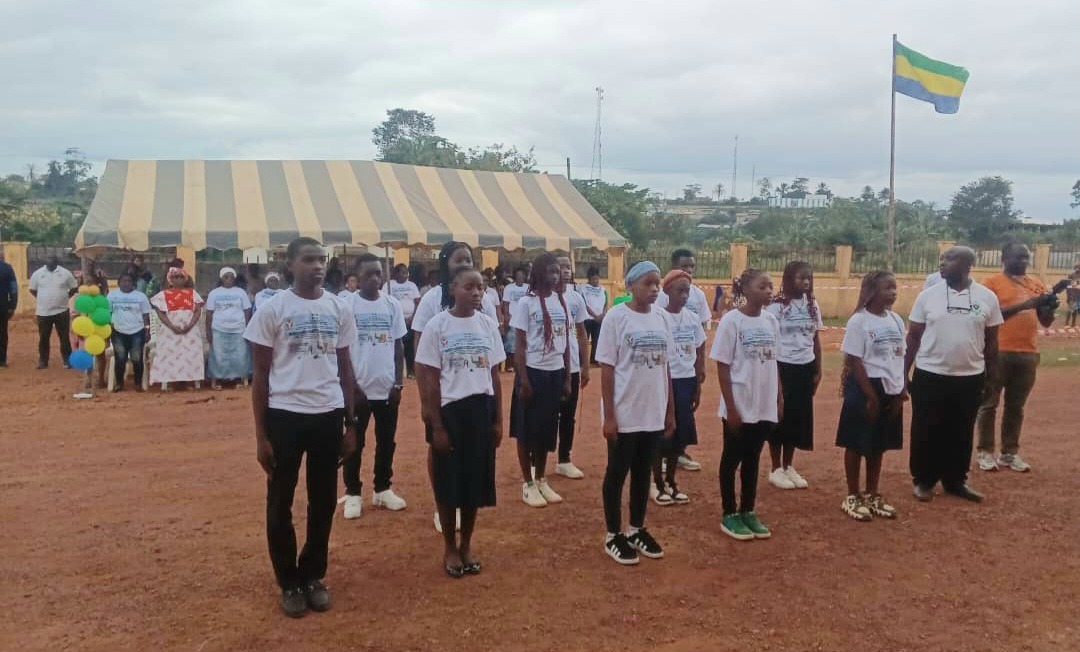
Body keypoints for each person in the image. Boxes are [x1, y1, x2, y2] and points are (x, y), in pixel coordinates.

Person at [244, 237, 357, 618]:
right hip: (285, 415)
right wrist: (261, 436)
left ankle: (312, 575)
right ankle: (288, 580)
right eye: (308, 259)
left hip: (328, 414)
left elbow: (345, 368)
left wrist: (351, 423)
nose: (317, 266)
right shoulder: (272, 310)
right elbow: (260, 376)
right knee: (280, 501)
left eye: (321, 259)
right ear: (289, 265)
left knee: (323, 501)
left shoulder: (339, 308)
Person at [415, 266, 504, 577]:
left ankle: (466, 543)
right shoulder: (437, 326)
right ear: (452, 288)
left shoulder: (488, 325)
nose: (476, 293)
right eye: (469, 287)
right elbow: (430, 379)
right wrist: (437, 425)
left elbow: (494, 375)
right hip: (450, 412)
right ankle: (449, 547)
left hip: (481, 410)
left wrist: (498, 420)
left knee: (473, 483)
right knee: (447, 483)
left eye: (480, 288)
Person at [906, 246, 1002, 503]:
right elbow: (913, 337)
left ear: (968, 265)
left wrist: (993, 379)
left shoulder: (987, 297)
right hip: (930, 374)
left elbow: (992, 343)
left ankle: (955, 480)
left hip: (970, 377)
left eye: (950, 259)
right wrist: (903, 373)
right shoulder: (928, 296)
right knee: (926, 428)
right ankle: (923, 480)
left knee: (961, 429)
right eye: (942, 259)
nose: (942, 263)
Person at [596, 260, 674, 565]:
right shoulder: (616, 317)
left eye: (657, 283)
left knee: (643, 472)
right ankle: (613, 534)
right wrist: (610, 416)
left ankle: (636, 529)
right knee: (617, 472)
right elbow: (607, 369)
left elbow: (666, 367)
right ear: (631, 286)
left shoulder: (662, 318)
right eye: (648, 283)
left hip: (652, 411)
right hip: (625, 412)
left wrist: (669, 411)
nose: (654, 289)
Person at [711, 269, 780, 541]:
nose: (768, 291)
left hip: (764, 404)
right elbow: (722, 366)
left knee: (753, 458)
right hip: (739, 404)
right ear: (746, 290)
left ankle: (748, 510)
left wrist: (778, 397)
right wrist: (731, 407)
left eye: (770, 286)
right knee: (732, 458)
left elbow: (775, 362)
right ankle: (729, 513)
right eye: (762, 286)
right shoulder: (732, 321)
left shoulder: (771, 321)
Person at [974, 243, 1056, 473]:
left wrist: (1048, 309)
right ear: (1004, 258)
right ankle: (985, 451)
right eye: (1018, 257)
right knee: (989, 403)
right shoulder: (991, 283)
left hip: (1028, 352)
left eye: (1026, 257)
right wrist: (1026, 305)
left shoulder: (1035, 284)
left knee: (1016, 406)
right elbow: (986, 315)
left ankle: (1009, 453)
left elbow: (1045, 322)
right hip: (998, 351)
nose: (1023, 261)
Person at [341, 254, 408, 519]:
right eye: (369, 274)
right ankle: (353, 493)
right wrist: (352, 386)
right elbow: (342, 350)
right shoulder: (348, 305)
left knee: (387, 441)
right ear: (357, 277)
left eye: (378, 273)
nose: (375, 279)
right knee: (354, 442)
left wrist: (398, 383)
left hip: (386, 387)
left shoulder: (392, 305)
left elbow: (398, 346)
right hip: (358, 390)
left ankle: (382, 489)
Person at [836, 271, 907, 521]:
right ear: (871, 292)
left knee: (879, 444)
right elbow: (855, 360)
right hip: (864, 388)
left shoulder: (896, 320)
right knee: (856, 442)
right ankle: (852, 495)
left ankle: (872, 493)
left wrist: (900, 391)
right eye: (887, 288)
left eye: (894, 288)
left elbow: (900, 356)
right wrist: (871, 396)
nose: (893, 293)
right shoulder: (859, 321)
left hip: (890, 388)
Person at [511, 253, 571, 507]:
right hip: (533, 371)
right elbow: (520, 344)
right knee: (526, 430)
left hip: (555, 372)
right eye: (550, 272)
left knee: (547, 429)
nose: (555, 276)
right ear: (537, 274)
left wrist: (567, 377)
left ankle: (541, 478)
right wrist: (523, 379)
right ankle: (527, 483)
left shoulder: (561, 302)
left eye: (557, 272)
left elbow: (565, 342)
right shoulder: (527, 303)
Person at [764, 261, 822, 490]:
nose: (806, 282)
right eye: (801, 278)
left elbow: (815, 338)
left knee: (797, 418)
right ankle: (775, 468)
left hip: (804, 367)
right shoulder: (776, 307)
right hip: (782, 366)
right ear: (789, 279)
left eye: (809, 278)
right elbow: (770, 341)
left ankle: (788, 465)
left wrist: (818, 369)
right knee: (780, 417)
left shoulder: (812, 305)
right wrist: (774, 373)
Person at [652, 269, 706, 506]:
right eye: (679, 291)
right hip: (665, 381)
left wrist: (698, 380)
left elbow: (700, 347)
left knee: (679, 435)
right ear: (667, 291)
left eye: (687, 291)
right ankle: (656, 482)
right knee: (662, 433)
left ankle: (672, 481)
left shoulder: (692, 318)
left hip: (686, 380)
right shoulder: (658, 317)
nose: (684, 296)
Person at [655, 249, 711, 472]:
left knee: (685, 414)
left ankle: (679, 453)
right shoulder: (660, 306)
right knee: (666, 414)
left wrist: (700, 368)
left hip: (687, 372)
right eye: (684, 266)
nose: (688, 270)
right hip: (668, 373)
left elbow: (700, 340)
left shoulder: (695, 305)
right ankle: (661, 456)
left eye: (691, 266)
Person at [555, 255, 590, 479]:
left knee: (568, 414)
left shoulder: (576, 298)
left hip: (573, 367)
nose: (566, 271)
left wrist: (585, 365)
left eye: (568, 266)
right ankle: (535, 459)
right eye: (561, 267)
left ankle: (564, 459)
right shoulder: (540, 297)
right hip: (549, 366)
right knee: (547, 414)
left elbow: (581, 333)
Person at [149, 267, 205, 391]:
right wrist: (172, 326)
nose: (178, 279)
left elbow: (197, 311)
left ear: (185, 279)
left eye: (181, 277)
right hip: (170, 331)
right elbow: (160, 313)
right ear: (170, 280)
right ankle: (169, 382)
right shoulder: (163, 295)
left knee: (190, 355)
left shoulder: (192, 293)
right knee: (169, 355)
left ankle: (189, 381)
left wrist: (190, 325)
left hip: (190, 330)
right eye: (175, 277)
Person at [206, 267, 253, 389]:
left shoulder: (241, 292)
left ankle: (239, 379)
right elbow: (209, 313)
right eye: (226, 277)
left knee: (240, 355)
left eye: (231, 277)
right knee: (219, 355)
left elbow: (247, 310)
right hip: (219, 328)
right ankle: (218, 380)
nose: (229, 279)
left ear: (234, 278)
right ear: (221, 278)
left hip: (239, 329)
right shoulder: (214, 293)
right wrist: (208, 331)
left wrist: (247, 327)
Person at [29, 254, 78, 369]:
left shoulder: (65, 273)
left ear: (57, 262)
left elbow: (74, 287)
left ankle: (67, 360)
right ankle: (43, 361)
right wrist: (43, 299)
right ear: (45, 262)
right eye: (48, 260)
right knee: (44, 337)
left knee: (64, 337)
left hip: (62, 311)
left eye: (52, 261)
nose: (50, 262)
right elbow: (32, 289)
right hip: (43, 312)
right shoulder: (37, 274)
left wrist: (65, 297)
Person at [107, 272, 152, 391]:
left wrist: (147, 330)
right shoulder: (112, 296)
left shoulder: (141, 297)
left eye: (129, 281)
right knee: (120, 358)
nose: (126, 283)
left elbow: (146, 315)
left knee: (137, 358)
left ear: (133, 284)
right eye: (124, 281)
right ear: (118, 283)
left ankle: (138, 384)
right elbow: (108, 313)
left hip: (137, 331)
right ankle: (119, 383)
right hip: (118, 331)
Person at [384, 263, 421, 378]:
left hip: (409, 320)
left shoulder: (412, 285)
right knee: (396, 347)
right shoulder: (388, 284)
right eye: (403, 272)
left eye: (407, 272)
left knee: (409, 347)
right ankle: (395, 372)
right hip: (395, 321)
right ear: (396, 273)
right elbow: (384, 301)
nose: (406, 275)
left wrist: (413, 317)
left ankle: (411, 371)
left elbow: (417, 302)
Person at [580, 266, 607, 366]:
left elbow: (606, 303)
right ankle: (581, 361)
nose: (596, 281)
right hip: (587, 319)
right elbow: (584, 304)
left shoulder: (602, 289)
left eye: (597, 278)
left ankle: (594, 359)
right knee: (584, 340)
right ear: (589, 278)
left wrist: (603, 315)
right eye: (593, 279)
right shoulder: (582, 288)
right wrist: (595, 316)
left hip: (599, 320)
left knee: (597, 340)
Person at [0, 250, 17, 368]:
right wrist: (12, 306)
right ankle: (2, 360)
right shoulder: (7, 268)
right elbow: (14, 288)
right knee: (2, 332)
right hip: (3, 303)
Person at [1067, 262, 1080, 328]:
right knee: (1070, 309)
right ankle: (1067, 323)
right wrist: (1069, 295)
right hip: (1073, 295)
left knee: (1075, 310)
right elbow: (1069, 286)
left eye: (1079, 267)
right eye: (1077, 267)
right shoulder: (1071, 275)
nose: (1078, 269)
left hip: (1078, 295)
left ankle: (1073, 323)